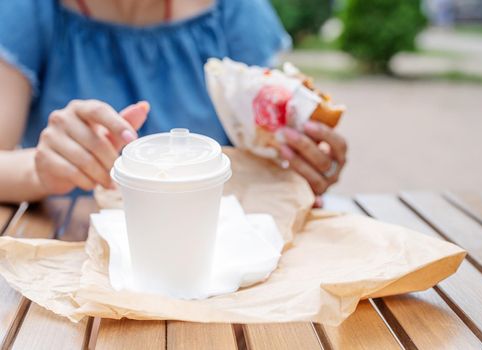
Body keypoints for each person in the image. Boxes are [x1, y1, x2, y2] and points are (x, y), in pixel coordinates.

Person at [0, 0, 347, 205]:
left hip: (218, 254)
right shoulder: (28, 10)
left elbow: (268, 144)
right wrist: (39, 169)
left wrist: (303, 161)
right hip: (70, 261)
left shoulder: (236, 10)